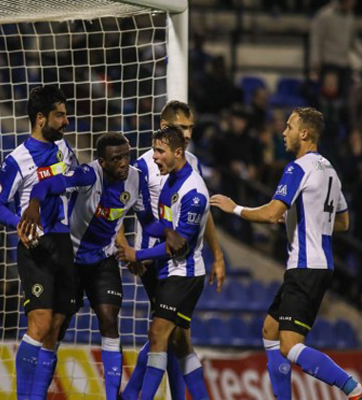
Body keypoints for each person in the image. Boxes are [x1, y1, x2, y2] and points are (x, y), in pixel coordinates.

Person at [20, 132, 187, 399]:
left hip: (103, 260)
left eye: (126, 156)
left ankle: (112, 396)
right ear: (102, 161)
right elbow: (47, 185)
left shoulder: (136, 179)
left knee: (109, 321)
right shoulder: (87, 175)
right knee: (55, 327)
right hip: (70, 260)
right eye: (116, 158)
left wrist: (166, 231)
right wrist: (34, 205)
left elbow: (146, 219)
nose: (123, 163)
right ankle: (37, 395)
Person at [210, 107, 362, 400]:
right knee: (269, 331)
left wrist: (235, 208)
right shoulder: (330, 169)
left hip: (305, 267)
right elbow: (343, 222)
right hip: (318, 264)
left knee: (290, 346)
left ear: (304, 133)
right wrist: (299, 216)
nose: (283, 132)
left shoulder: (297, 168)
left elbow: (270, 214)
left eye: (289, 127)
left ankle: (353, 389)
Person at [121, 100, 225, 400]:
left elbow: (200, 217)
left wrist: (217, 255)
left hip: (175, 261)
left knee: (169, 336)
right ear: (165, 128)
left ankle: (132, 395)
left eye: (191, 127)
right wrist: (127, 245)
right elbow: (119, 203)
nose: (189, 133)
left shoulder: (189, 167)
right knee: (169, 336)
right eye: (182, 127)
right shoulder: (145, 165)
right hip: (153, 261)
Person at [0, 85, 78, 400]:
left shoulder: (65, 150)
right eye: (60, 115)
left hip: (64, 245)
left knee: (55, 329)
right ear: (41, 118)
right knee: (39, 324)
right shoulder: (17, 159)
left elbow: (77, 185)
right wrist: (20, 223)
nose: (66, 121)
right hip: (36, 247)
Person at [310, 0, 361, 98]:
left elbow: (353, 41)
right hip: (330, 65)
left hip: (345, 65)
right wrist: (315, 62)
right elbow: (316, 40)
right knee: (329, 99)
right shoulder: (325, 15)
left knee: (347, 98)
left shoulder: (350, 17)